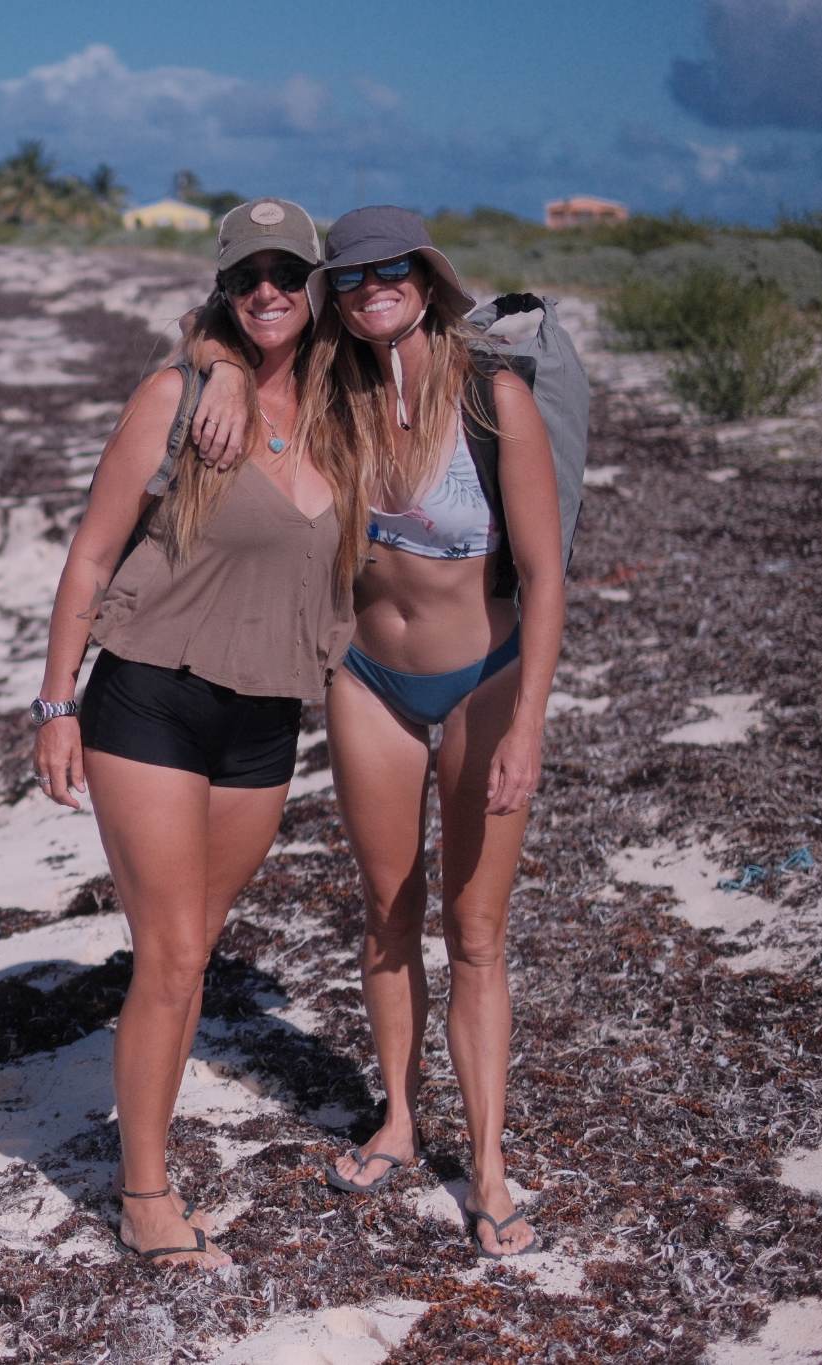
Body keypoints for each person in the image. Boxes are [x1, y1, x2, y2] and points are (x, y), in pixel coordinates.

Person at [29, 198, 365, 1269]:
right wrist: (54, 703)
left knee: (188, 951)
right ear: (224, 287)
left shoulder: (344, 406)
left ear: (316, 286)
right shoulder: (173, 396)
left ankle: (144, 1140)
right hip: (150, 699)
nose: (268, 290)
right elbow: (91, 555)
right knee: (172, 954)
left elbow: (444, 350)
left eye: (288, 273)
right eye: (247, 274)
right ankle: (144, 1195)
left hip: (265, 715)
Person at [302, 207, 565, 1259]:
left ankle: (489, 1166)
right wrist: (223, 377)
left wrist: (527, 723)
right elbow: (217, 338)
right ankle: (402, 1121)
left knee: (474, 930)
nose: (372, 287)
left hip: (482, 682)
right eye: (350, 276)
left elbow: (544, 575)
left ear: (427, 279)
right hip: (366, 680)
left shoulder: (493, 397)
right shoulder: (330, 393)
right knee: (385, 911)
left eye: (391, 270)